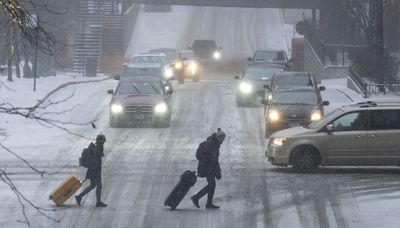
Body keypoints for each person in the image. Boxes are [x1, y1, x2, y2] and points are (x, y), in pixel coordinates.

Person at [191, 128, 226, 209]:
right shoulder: (212, 145)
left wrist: (217, 171)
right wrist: (217, 172)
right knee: (212, 185)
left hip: (208, 167)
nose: (223, 141)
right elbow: (214, 160)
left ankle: (207, 203)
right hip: (207, 168)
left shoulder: (213, 143)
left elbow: (214, 159)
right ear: (218, 137)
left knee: (212, 185)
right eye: (222, 139)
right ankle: (196, 198)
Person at [75, 134, 107, 207]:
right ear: (101, 142)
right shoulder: (97, 149)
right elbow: (95, 162)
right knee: (98, 185)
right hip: (95, 171)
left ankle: (79, 197)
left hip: (93, 170)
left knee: (93, 185)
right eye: (103, 142)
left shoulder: (97, 149)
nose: (103, 144)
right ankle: (98, 202)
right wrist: (95, 172)